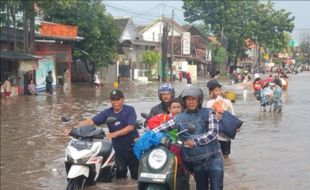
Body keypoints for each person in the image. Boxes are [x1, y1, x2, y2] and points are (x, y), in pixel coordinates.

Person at [153, 85, 223, 190]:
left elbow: (213, 133)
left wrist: (195, 141)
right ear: (184, 101)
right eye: (188, 99)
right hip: (196, 162)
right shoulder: (178, 118)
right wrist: (148, 135)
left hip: (213, 158)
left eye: (193, 99)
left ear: (199, 100)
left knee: (217, 187)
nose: (190, 102)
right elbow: (162, 128)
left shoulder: (209, 113)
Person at [64, 89, 140, 180]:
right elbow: (91, 121)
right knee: (121, 175)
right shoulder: (107, 112)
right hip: (118, 149)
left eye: (118, 99)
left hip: (133, 147)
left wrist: (114, 134)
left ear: (123, 99)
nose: (115, 102)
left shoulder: (129, 110)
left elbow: (130, 127)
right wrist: (73, 128)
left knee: (136, 176)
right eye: (113, 100)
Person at [206, 80, 235, 159]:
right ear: (211, 92)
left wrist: (235, 127)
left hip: (225, 133)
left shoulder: (227, 102)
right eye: (216, 91)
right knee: (214, 154)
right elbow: (207, 117)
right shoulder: (209, 103)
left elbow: (232, 114)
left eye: (219, 90)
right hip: (214, 133)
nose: (218, 92)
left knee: (226, 155)